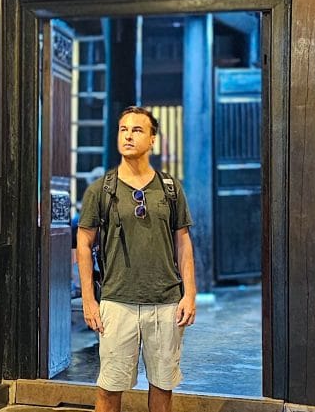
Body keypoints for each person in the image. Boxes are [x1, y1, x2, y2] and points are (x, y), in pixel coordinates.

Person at [76, 106, 197, 412]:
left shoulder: (170, 189)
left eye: (137, 130)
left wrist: (190, 294)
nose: (128, 136)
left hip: (166, 302)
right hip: (117, 301)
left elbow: (183, 242)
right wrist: (89, 300)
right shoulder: (101, 190)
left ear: (152, 139)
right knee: (109, 388)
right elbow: (84, 242)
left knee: (162, 387)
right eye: (123, 129)